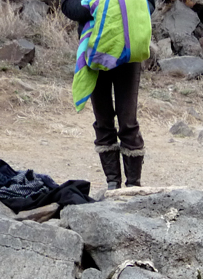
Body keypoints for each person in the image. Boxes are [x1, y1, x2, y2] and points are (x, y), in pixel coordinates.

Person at [63, 0, 153, 190]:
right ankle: (113, 184)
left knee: (128, 122)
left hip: (128, 52)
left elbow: (149, 5)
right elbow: (67, 6)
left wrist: (124, 9)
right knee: (103, 120)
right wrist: (97, 6)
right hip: (94, 49)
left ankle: (133, 187)